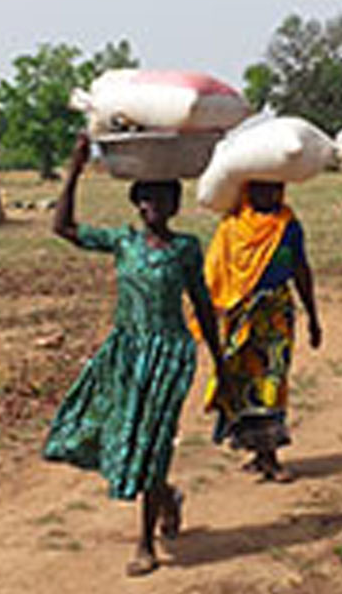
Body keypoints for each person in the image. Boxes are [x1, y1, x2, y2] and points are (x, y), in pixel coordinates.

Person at [42, 133, 223, 576]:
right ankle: (167, 497)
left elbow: (201, 303)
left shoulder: (186, 249)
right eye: (145, 200)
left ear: (175, 205)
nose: (153, 207)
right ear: (136, 204)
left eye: (162, 199)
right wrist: (75, 169)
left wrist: (221, 361)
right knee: (125, 439)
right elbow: (63, 229)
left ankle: (145, 544)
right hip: (126, 353)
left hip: (170, 355)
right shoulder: (122, 242)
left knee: (153, 442)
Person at [199, 180, 322, 483]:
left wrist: (313, 317)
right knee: (241, 383)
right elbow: (216, 274)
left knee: (272, 381)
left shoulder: (288, 226)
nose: (269, 195)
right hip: (240, 316)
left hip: (276, 314)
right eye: (261, 189)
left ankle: (270, 457)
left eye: (274, 189)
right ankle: (257, 451)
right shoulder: (232, 228)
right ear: (247, 191)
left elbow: (301, 270)